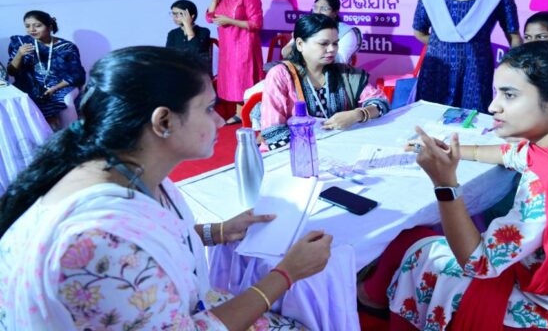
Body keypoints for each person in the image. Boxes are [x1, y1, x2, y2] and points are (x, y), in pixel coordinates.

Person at [0, 47, 332, 330]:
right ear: (164, 121)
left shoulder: (124, 172)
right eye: (208, 108)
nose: (220, 122)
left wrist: (217, 231)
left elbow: (151, 244)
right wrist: (286, 274)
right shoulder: (98, 242)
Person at [359, 42, 548, 330]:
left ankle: (368, 302)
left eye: (509, 95)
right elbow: (516, 154)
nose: (492, 106)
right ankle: (375, 296)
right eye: (497, 92)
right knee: (415, 238)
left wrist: (445, 184)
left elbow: (478, 263)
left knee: (414, 245)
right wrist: (453, 151)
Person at [414, 0, 521, 112]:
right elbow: (419, 32)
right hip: (437, 69)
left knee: (474, 118)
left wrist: (517, 68)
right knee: (430, 115)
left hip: (476, 69)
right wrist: (441, 45)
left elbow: (514, 36)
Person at [261, 14, 389, 150]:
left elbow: (381, 103)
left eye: (335, 43)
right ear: (300, 44)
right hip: (295, 153)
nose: (332, 49)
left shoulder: (344, 73)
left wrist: (357, 114)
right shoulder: (281, 75)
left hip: (340, 150)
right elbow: (273, 134)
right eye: (323, 44)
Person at [207, 0, 264, 125]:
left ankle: (253, 113)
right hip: (228, 46)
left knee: (245, 79)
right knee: (233, 81)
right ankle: (240, 113)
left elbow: (256, 24)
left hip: (244, 45)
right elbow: (210, 18)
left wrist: (230, 21)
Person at [7, 10, 85, 129]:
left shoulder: (66, 47)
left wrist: (55, 88)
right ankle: (40, 136)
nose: (32, 30)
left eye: (37, 26)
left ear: (49, 26)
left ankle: (71, 135)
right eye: (27, 26)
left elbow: (76, 74)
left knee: (64, 100)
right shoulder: (22, 44)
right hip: (30, 84)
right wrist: (19, 54)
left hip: (62, 84)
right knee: (21, 99)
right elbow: (11, 72)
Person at [281, 0, 362, 64]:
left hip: (332, 74)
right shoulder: (307, 27)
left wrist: (308, 52)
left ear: (335, 12)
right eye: (315, 7)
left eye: (324, 9)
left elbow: (340, 61)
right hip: (300, 71)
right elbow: (285, 53)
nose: (318, 12)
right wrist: (295, 41)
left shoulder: (346, 32)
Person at [166, 0, 212, 73]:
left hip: (197, 71)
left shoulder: (204, 31)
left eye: (179, 14)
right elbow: (169, 55)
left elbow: (196, 52)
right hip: (177, 71)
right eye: (173, 14)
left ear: (192, 16)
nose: (175, 17)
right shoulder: (172, 33)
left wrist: (187, 25)